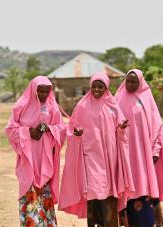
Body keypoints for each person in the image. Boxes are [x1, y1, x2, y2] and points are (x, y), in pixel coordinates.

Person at [59, 72, 134, 227]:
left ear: (106, 88)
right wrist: (76, 135)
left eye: (101, 87)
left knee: (109, 194)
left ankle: (109, 223)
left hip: (109, 157)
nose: (97, 90)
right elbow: (72, 130)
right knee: (94, 192)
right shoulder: (82, 106)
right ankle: (94, 223)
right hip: (90, 156)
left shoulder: (113, 106)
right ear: (90, 86)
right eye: (94, 86)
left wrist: (121, 129)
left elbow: (120, 129)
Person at [5, 76, 66, 227]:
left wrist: (48, 128)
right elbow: (10, 130)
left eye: (47, 92)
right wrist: (28, 132)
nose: (44, 95)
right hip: (28, 158)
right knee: (29, 190)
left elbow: (62, 128)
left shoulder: (52, 107)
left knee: (44, 193)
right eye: (41, 91)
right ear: (33, 90)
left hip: (45, 159)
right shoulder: (21, 106)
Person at [115, 69, 163, 227]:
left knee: (145, 189)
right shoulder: (117, 99)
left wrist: (155, 151)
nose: (130, 84)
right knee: (128, 190)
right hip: (125, 155)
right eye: (128, 81)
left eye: (134, 81)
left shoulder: (147, 99)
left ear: (140, 82)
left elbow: (157, 127)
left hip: (144, 156)